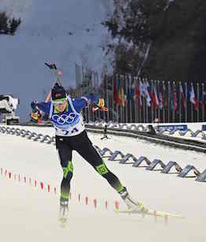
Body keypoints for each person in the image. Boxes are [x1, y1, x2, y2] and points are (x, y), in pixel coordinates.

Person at [31, 83, 142, 222]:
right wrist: (35, 114)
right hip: (63, 142)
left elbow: (91, 97)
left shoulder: (76, 104)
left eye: (62, 102)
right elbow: (34, 104)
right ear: (52, 102)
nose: (60, 106)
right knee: (68, 173)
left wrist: (99, 101)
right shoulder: (48, 107)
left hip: (81, 141)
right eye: (57, 103)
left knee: (103, 170)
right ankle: (63, 208)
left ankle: (128, 200)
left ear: (67, 99)